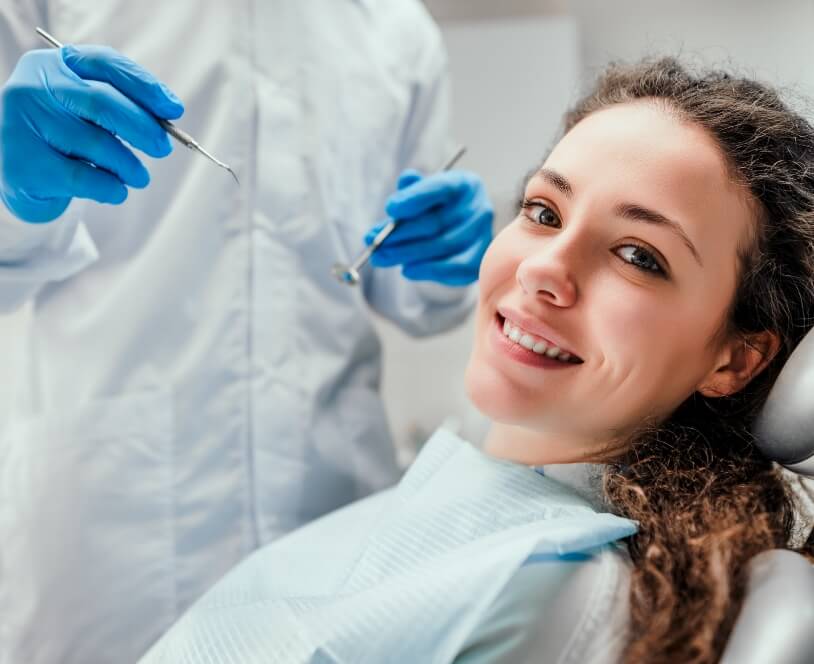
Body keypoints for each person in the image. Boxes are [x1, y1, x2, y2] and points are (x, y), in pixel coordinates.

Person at [138, 57, 814, 664]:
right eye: (544, 212)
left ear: (736, 360)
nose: (546, 268)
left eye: (638, 255)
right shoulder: (476, 520)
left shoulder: (541, 590)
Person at [0, 3, 493, 663]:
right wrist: (11, 189)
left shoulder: (399, 28)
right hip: (108, 544)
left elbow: (414, 294)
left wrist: (447, 257)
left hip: (334, 514)